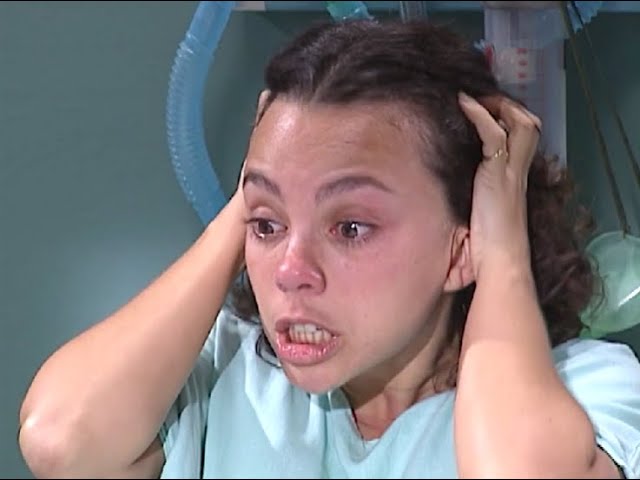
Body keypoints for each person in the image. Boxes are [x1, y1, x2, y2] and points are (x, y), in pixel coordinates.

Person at [18, 16, 640, 479]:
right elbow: (58, 442)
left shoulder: (585, 391)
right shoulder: (223, 374)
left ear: (462, 246)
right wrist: (259, 191)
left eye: (350, 228)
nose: (291, 272)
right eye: (267, 227)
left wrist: (500, 252)